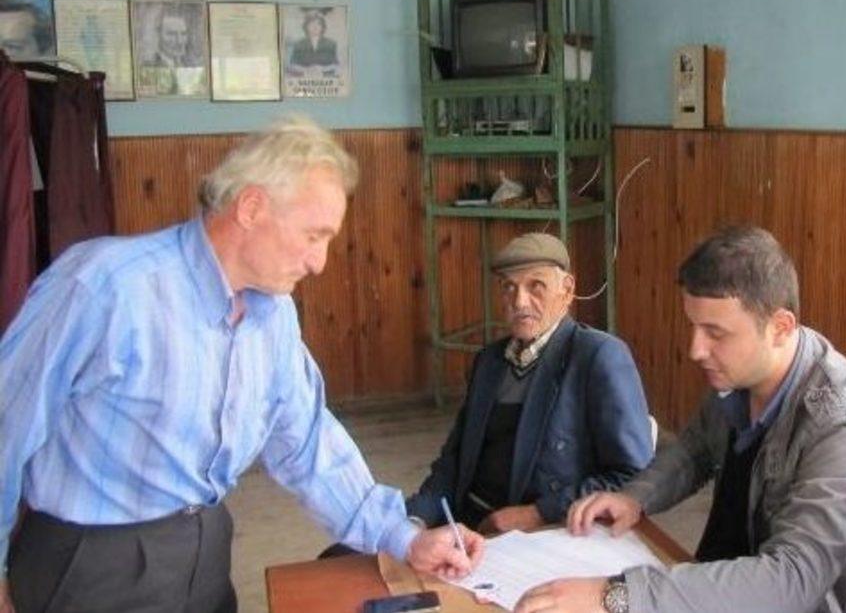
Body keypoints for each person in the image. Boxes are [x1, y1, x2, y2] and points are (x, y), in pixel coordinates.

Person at [0, 115, 483, 613]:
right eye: (314, 235)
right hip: (91, 563)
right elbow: (6, 423)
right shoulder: (105, 285)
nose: (319, 262)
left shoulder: (272, 313)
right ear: (251, 207)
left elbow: (307, 442)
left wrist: (404, 537)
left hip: (205, 549)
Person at [516, 226, 846, 613]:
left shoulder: (845, 424)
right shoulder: (742, 373)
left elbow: (793, 579)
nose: (696, 349)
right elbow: (694, 449)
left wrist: (617, 596)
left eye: (715, 333)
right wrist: (635, 496)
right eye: (694, 326)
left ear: (780, 328)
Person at [406, 232, 654, 534]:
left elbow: (633, 476)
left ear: (567, 290)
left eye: (536, 286)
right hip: (466, 525)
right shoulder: (489, 361)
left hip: (542, 534)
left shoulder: (597, 356)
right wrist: (416, 520)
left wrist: (538, 513)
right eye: (509, 287)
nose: (520, 301)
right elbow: (454, 461)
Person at [140, 4, 205, 96]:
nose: (179, 41)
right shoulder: (148, 67)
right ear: (158, 35)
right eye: (171, 34)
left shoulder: (190, 65)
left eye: (183, 34)